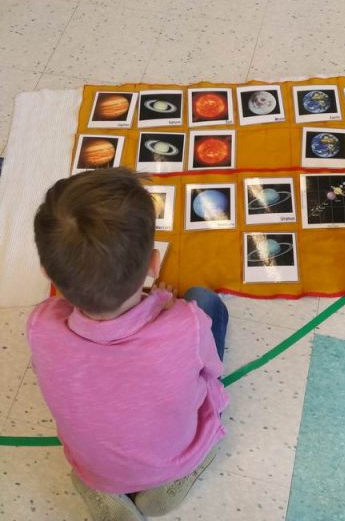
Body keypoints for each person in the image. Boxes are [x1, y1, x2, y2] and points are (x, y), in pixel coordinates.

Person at [27, 167, 229, 521]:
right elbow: (212, 372)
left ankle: (99, 488)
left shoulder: (40, 326)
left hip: (96, 467)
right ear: (154, 263)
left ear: (47, 273)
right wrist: (166, 310)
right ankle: (178, 476)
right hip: (173, 456)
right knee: (205, 300)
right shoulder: (187, 324)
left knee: (98, 455)